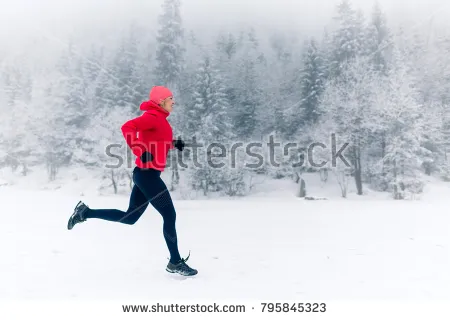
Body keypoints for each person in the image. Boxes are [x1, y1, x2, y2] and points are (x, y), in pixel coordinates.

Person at [67, 86, 198, 277]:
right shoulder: (151, 117)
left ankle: (85, 212)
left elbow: (157, 141)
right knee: (169, 216)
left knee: (130, 218)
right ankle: (175, 261)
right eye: (170, 98)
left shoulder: (160, 120)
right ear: (161, 101)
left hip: (147, 175)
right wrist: (139, 150)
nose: (173, 101)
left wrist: (172, 144)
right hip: (147, 175)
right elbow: (127, 127)